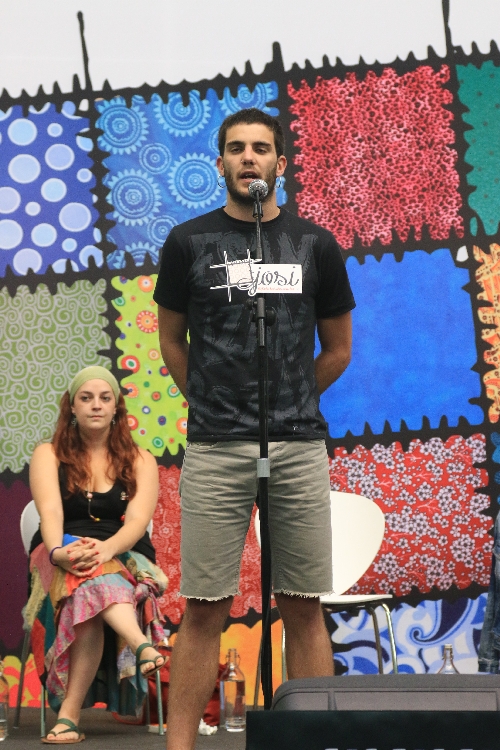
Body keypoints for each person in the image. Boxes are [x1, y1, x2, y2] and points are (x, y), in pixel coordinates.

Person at [154, 107, 355, 750]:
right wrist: (210, 399)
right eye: (237, 148)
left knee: (303, 603)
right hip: (216, 446)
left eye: (260, 148)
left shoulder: (316, 244)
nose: (249, 158)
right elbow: (171, 339)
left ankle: (314, 742)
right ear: (220, 164)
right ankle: (179, 746)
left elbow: (338, 349)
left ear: (280, 163)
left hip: (297, 445)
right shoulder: (187, 243)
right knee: (204, 607)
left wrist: (287, 400)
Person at [24, 366, 168, 744]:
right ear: (72, 407)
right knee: (87, 582)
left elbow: (137, 522)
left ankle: (69, 718)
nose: (96, 405)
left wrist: (107, 549)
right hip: (59, 548)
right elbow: (50, 513)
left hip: (122, 550)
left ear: (116, 407)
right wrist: (59, 553)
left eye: (105, 398)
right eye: (86, 398)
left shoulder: (140, 459)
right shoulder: (48, 454)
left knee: (90, 589)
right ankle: (141, 645)